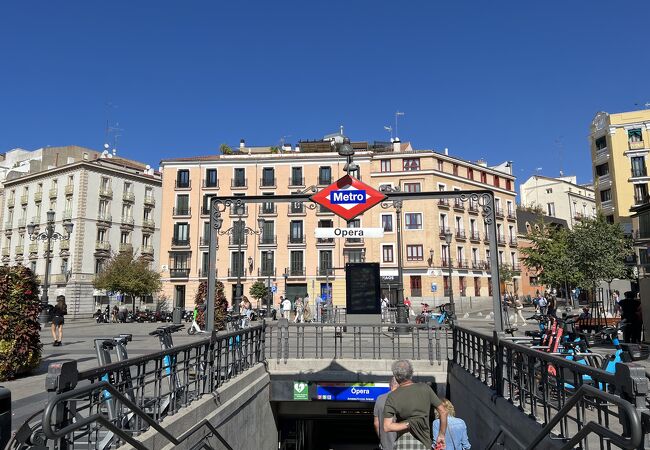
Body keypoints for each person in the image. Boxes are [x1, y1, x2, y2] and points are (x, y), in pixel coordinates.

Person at [383, 360, 447, 449]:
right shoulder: (425, 388)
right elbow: (443, 411)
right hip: (424, 443)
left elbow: (387, 427)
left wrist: (409, 424)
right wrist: (441, 435)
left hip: (402, 444)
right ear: (411, 373)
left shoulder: (392, 396)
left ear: (396, 377)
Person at [374, 377, 399, 450]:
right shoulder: (405, 399)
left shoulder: (380, 398)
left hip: (385, 444)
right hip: (402, 443)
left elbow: (376, 423)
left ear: (389, 385)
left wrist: (381, 437)